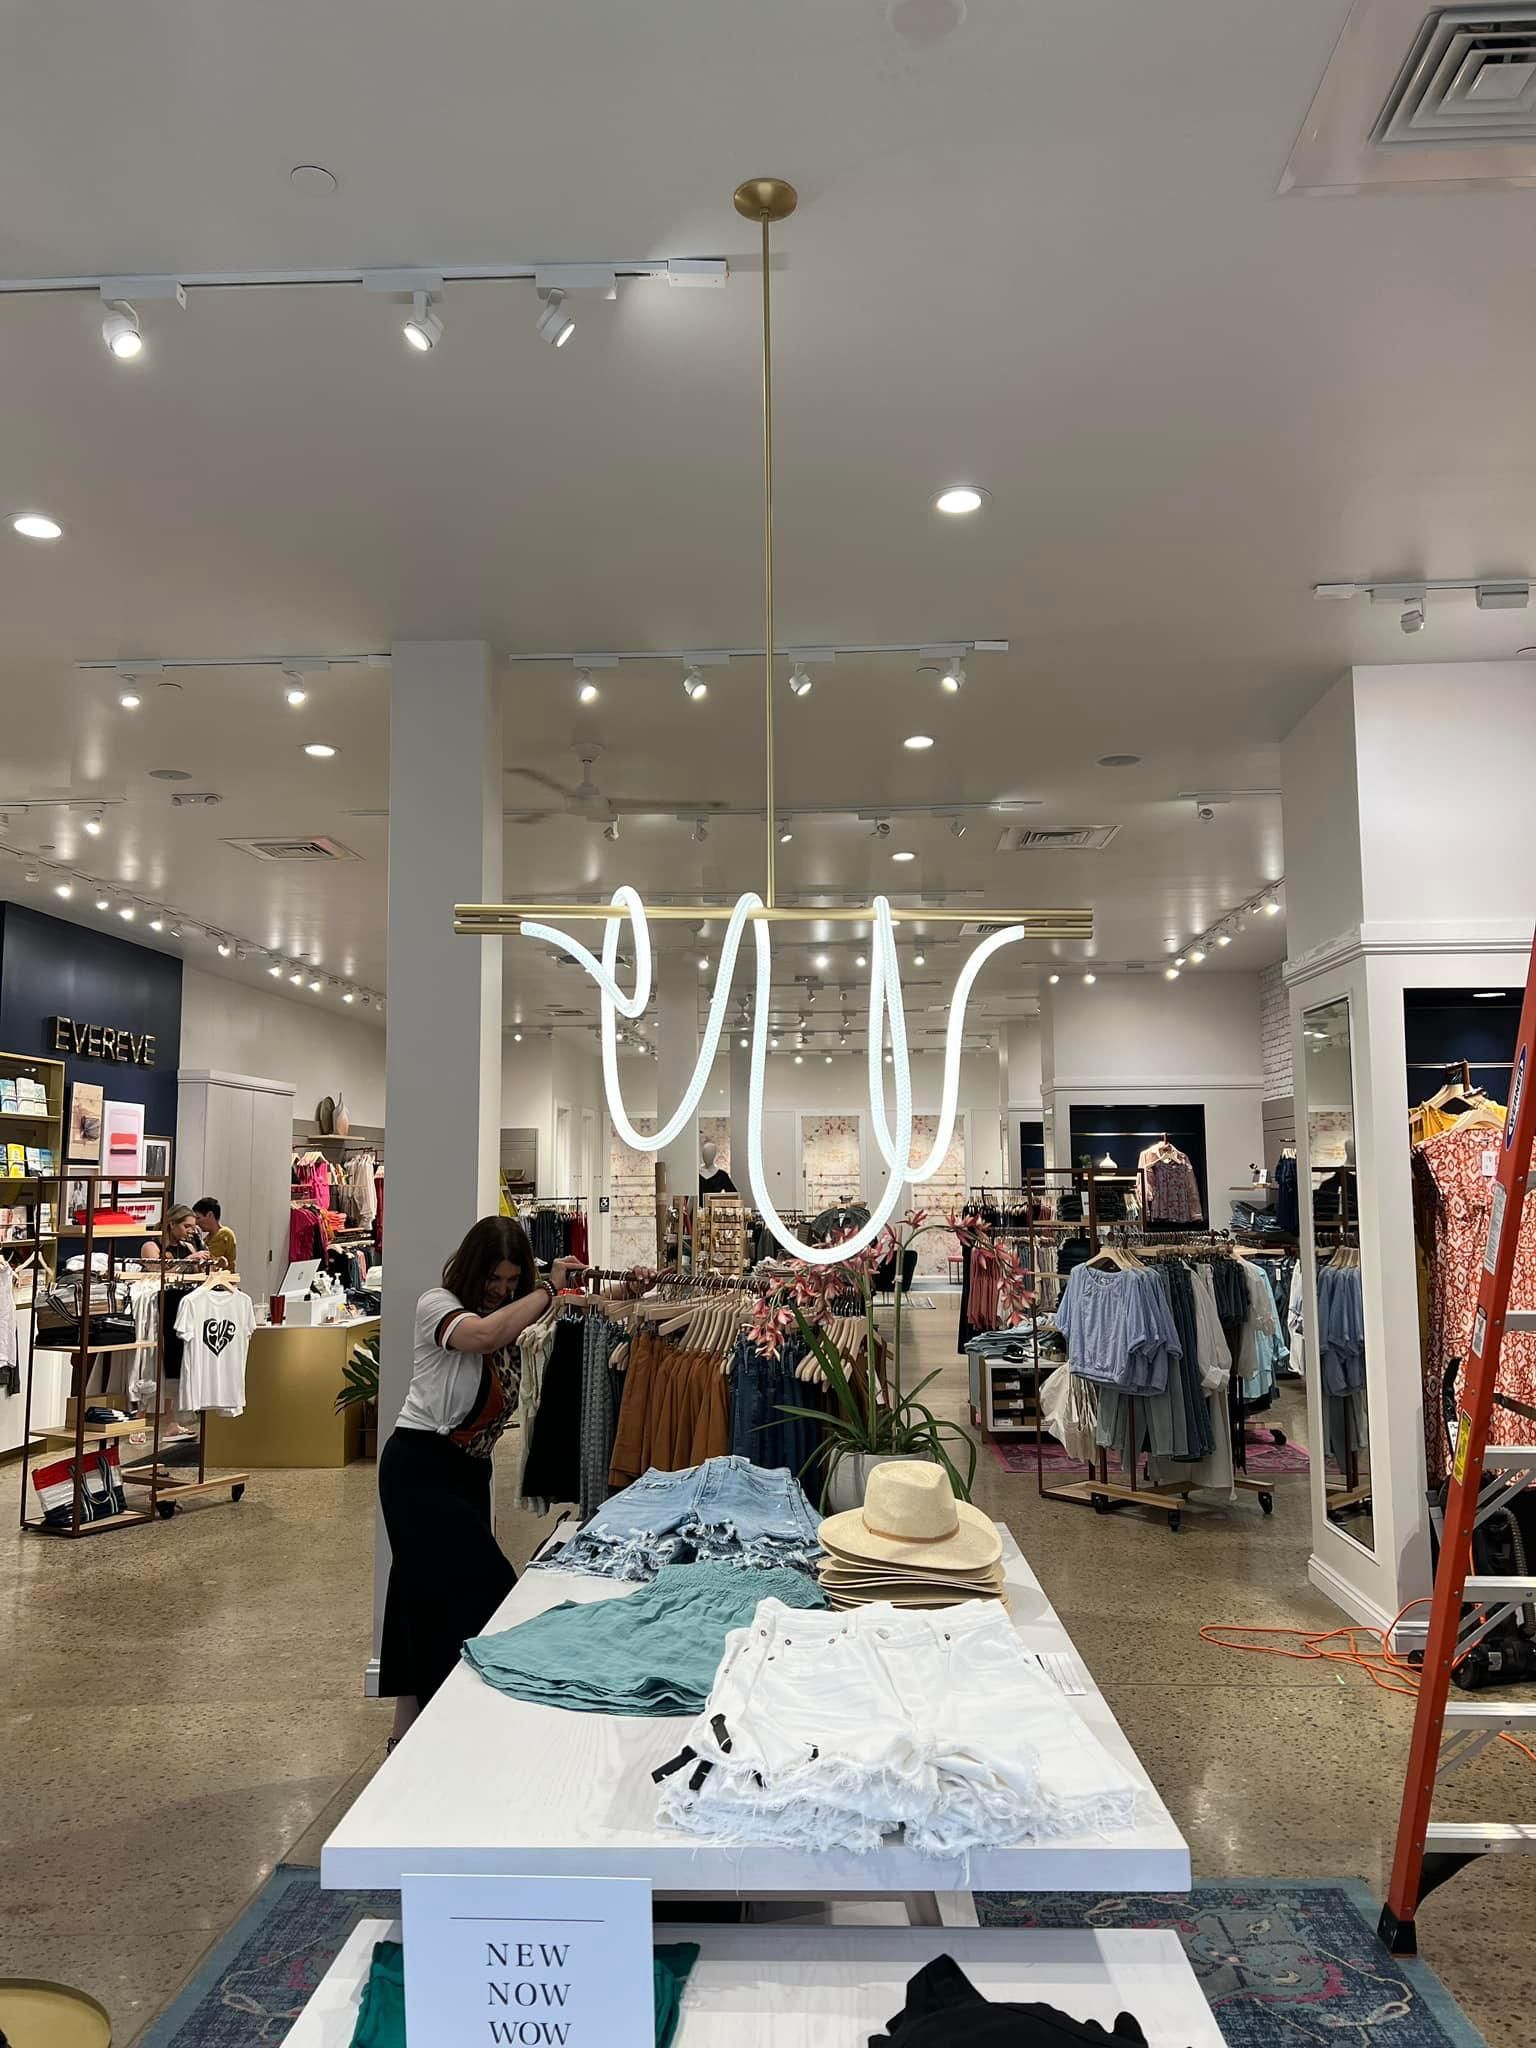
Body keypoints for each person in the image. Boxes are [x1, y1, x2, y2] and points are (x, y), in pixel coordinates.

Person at [378, 1215, 585, 1739]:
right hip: (419, 1465)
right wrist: (546, 1290)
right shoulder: (437, 1304)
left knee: (415, 1593)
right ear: (473, 1268)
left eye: (512, 1280)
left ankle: (406, 1734)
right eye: (494, 1278)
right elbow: (484, 1336)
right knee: (489, 1592)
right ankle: (457, 1726)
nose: (501, 1289)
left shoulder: (517, 1314)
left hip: (469, 1470)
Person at [141, 1203, 207, 1267]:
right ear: (172, 1224)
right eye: (186, 1226)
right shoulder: (151, 1247)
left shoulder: (189, 1247)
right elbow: (158, 1272)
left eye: (193, 1228)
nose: (190, 1231)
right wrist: (187, 1260)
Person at [191, 1197, 238, 1270]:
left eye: (198, 1218)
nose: (196, 1223)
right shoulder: (207, 1238)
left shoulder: (224, 1234)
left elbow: (209, 1258)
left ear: (210, 1214)